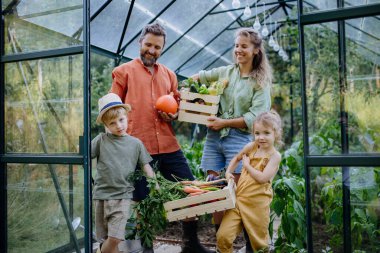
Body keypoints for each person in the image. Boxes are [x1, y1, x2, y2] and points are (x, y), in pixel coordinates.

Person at [110, 23, 214, 253]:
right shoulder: (123, 72)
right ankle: (147, 248)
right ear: (140, 43)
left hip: (168, 144)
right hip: (137, 147)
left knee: (188, 190)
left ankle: (191, 244)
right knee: (144, 201)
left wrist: (174, 114)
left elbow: (177, 108)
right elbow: (112, 109)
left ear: (162, 49)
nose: (151, 50)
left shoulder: (169, 75)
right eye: (148, 44)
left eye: (157, 47)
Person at [191, 27, 272, 252]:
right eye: (236, 46)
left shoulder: (260, 82)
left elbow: (256, 118)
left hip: (240, 139)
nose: (238, 50)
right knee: (216, 192)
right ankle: (222, 246)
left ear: (255, 50)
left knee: (240, 194)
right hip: (213, 139)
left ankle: (249, 246)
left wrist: (224, 122)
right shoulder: (226, 72)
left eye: (244, 46)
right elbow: (198, 77)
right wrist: (190, 93)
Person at [92, 93, 156, 253]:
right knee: (107, 238)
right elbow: (84, 157)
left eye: (121, 120)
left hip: (123, 196)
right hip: (101, 195)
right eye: (112, 123)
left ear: (126, 117)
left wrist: (157, 188)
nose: (119, 126)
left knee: (116, 237)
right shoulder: (101, 140)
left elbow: (147, 168)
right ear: (106, 125)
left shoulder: (135, 144)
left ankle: (99, 251)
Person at [217, 111, 283, 253]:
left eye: (266, 133)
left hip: (257, 205)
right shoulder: (251, 147)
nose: (261, 137)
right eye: (257, 133)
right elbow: (236, 158)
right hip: (239, 200)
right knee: (223, 237)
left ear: (275, 134)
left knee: (259, 244)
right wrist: (229, 172)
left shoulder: (275, 156)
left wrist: (247, 166)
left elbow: (262, 178)